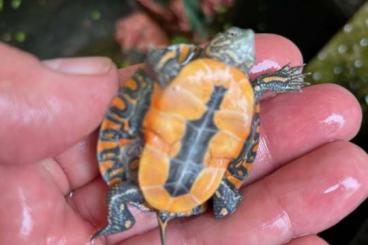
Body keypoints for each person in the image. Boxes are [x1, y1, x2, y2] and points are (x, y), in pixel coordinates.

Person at [0, 34, 366, 245]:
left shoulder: (237, 85)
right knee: (223, 198)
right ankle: (218, 201)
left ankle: (120, 219)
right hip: (197, 181)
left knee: (125, 191)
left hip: (164, 179)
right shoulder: (241, 87)